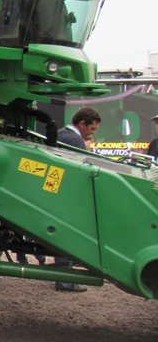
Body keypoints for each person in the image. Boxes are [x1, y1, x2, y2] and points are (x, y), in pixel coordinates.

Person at [51, 106, 102, 292]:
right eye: (92, 129)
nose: (92, 133)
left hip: (55, 193)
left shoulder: (61, 134)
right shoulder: (74, 140)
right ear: (82, 123)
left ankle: (63, 280)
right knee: (67, 239)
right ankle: (65, 282)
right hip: (66, 197)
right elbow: (80, 171)